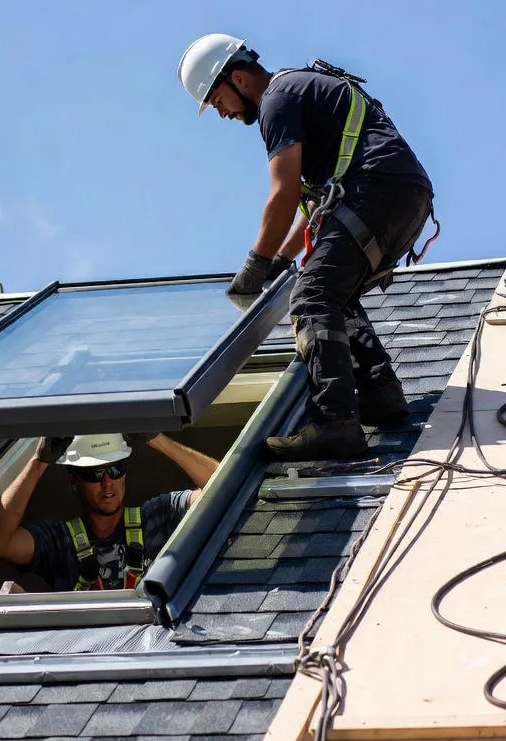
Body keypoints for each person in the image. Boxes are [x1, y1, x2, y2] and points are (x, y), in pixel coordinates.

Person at [177, 34, 435, 459]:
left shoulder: (277, 101)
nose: (221, 113)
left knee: (311, 296)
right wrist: (282, 260)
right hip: (402, 196)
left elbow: (282, 193)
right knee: (333, 291)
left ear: (238, 78)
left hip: (374, 191)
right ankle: (380, 397)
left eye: (217, 100)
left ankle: (335, 422)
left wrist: (254, 267)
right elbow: (314, 205)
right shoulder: (301, 89)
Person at [0, 432, 218, 591]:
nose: (108, 484)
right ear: (73, 482)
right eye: (94, 474)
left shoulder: (156, 517)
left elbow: (219, 485)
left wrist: (157, 439)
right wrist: (38, 463)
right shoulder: (59, 542)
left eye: (116, 470)